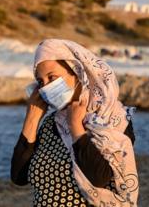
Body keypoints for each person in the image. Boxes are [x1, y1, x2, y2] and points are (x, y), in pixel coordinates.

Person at [11, 39, 139, 207]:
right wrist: (32, 119)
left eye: (52, 77)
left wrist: (76, 128)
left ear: (77, 72)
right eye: (41, 81)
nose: (45, 87)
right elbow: (19, 177)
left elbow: (100, 178)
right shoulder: (51, 124)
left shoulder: (112, 120)